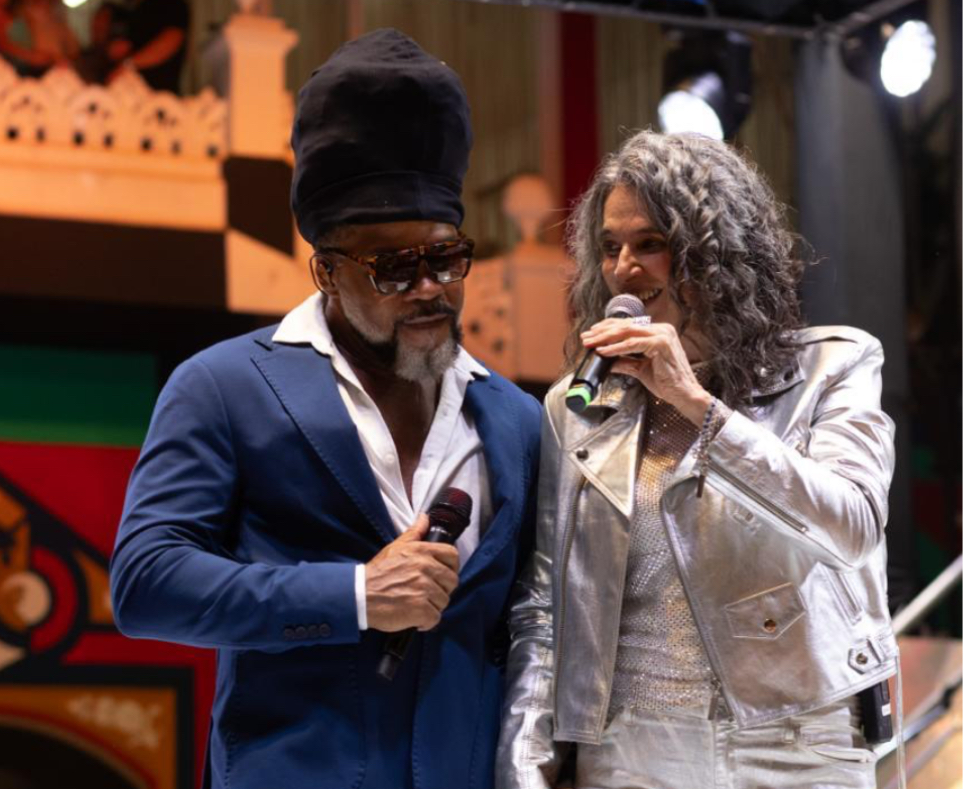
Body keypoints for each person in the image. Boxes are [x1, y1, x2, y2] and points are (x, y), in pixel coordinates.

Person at [110, 29, 540, 789]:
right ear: (327, 272)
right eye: (393, 267)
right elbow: (147, 582)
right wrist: (355, 595)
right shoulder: (225, 385)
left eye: (445, 257)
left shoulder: (517, 420)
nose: (429, 288)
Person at [497, 130, 897, 789]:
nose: (624, 267)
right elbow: (545, 603)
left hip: (797, 740)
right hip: (630, 747)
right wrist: (523, 764)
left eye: (650, 243)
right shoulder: (579, 406)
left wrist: (697, 406)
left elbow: (851, 523)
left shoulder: (833, 365)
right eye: (610, 247)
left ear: (715, 252)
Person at [102, 0, 188, 92]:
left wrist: (128, 64)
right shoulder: (129, 7)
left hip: (157, 91)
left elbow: (172, 39)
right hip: (126, 89)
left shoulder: (171, 4)